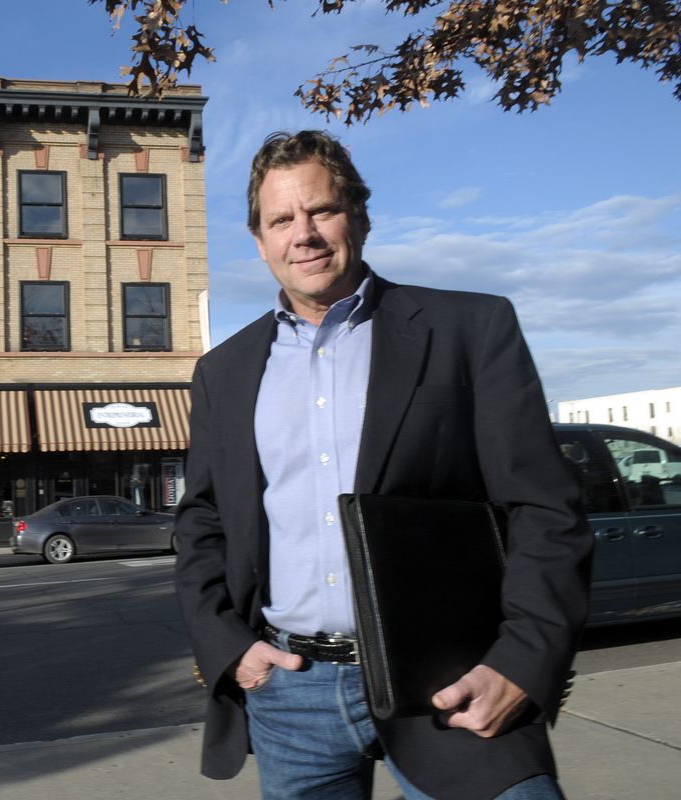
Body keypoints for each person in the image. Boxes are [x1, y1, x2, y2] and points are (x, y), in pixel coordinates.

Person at [173, 130, 593, 800]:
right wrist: (228, 650)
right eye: (281, 220)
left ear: (360, 218)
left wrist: (522, 661)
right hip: (291, 695)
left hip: (451, 681)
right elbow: (201, 525)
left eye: (322, 211)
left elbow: (546, 511)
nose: (303, 234)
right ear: (259, 241)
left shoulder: (469, 330)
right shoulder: (222, 372)